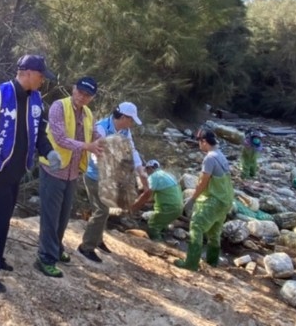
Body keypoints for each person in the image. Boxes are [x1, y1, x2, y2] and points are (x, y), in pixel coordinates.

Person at [0, 54, 60, 293]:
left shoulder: (37, 100)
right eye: (41, 76)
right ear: (28, 73)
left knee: (3, 220)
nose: (43, 81)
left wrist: (49, 152)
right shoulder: (0, 95)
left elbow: (39, 133)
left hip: (16, 172)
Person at [35, 76, 103, 278]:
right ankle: (45, 257)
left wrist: (104, 143)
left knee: (63, 216)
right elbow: (60, 138)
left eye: (87, 95)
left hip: (72, 172)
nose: (82, 97)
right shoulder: (59, 106)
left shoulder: (88, 113)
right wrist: (87, 147)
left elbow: (92, 135)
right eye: (80, 92)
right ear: (73, 88)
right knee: (50, 216)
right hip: (53, 169)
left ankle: (55, 248)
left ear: (92, 97)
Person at [78, 101, 147, 262]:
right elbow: (98, 155)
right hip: (94, 175)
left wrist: (139, 168)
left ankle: (98, 240)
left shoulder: (125, 131)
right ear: (123, 117)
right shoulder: (101, 127)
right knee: (101, 210)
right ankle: (86, 247)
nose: (132, 124)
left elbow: (132, 149)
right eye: (131, 120)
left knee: (105, 208)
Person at [174, 129, 234, 271]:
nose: (198, 145)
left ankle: (191, 263)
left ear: (204, 141)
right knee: (214, 231)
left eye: (199, 142)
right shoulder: (220, 155)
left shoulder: (209, 158)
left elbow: (203, 182)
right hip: (225, 200)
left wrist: (192, 199)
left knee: (196, 226)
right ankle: (212, 262)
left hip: (213, 199)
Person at [130, 159, 184, 241]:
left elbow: (147, 194)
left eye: (147, 170)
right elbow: (155, 197)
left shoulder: (154, 176)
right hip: (178, 208)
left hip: (168, 208)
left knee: (153, 226)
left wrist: (135, 206)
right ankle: (166, 237)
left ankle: (158, 244)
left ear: (150, 168)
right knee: (161, 223)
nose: (147, 173)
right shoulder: (167, 175)